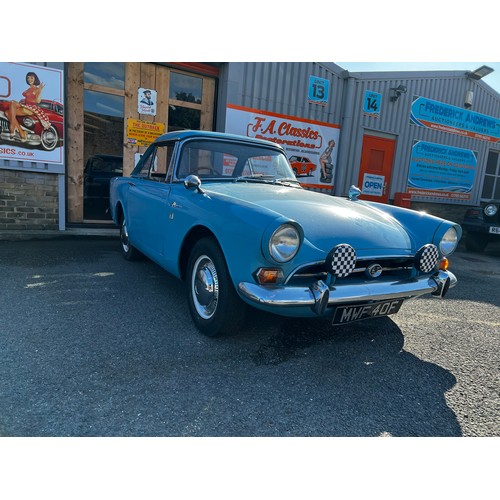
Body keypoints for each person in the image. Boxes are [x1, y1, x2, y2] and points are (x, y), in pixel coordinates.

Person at [5, 71, 51, 141]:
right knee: (7, 113)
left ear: (35, 79)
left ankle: (13, 128)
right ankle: (21, 133)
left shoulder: (37, 89)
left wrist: (40, 91)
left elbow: (38, 101)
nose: (29, 80)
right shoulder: (28, 89)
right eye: (28, 78)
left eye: (31, 78)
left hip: (31, 108)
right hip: (25, 106)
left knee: (12, 105)